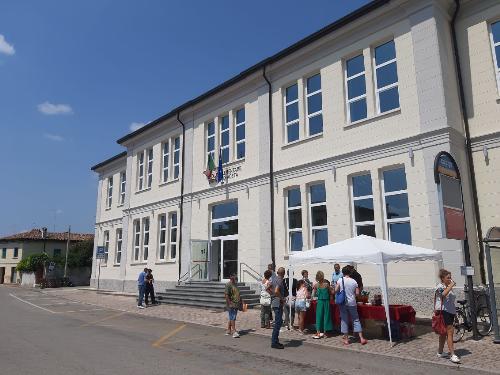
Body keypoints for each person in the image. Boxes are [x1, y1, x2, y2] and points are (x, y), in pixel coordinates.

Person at [335, 266, 368, 345]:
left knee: (344, 320)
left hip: (343, 303)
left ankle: (346, 339)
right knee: (356, 319)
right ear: (350, 272)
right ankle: (361, 338)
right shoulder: (354, 281)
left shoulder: (340, 280)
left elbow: (336, 290)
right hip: (352, 302)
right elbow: (357, 293)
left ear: (343, 272)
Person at [435, 269, 460, 364]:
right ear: (442, 278)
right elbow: (443, 295)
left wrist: (455, 314)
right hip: (443, 312)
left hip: (450, 312)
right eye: (448, 277)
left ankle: (440, 352)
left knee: (443, 333)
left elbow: (451, 302)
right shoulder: (439, 286)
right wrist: (451, 285)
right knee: (450, 332)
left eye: (450, 277)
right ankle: (452, 354)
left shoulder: (448, 287)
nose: (450, 279)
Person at [312, 271, 333, 339]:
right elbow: (332, 292)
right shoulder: (326, 285)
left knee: (319, 316)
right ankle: (325, 333)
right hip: (326, 302)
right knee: (326, 316)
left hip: (320, 302)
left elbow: (314, 294)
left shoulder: (316, 285)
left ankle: (318, 332)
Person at [271, 267, 285, 349]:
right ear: (283, 273)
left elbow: (268, 288)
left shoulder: (274, 279)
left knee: (278, 322)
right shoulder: (279, 280)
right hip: (278, 303)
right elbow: (276, 291)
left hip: (275, 302)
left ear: (277, 272)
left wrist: (272, 296)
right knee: (278, 322)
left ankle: (275, 341)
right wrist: (282, 298)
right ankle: (274, 342)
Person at [224, 274, 241, 338]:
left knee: (232, 317)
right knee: (233, 317)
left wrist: (241, 301)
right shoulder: (228, 285)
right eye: (235, 279)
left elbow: (238, 293)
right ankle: (234, 331)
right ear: (232, 279)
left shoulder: (235, 285)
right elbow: (226, 295)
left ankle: (228, 330)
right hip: (231, 304)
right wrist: (230, 303)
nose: (236, 281)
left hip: (236, 303)